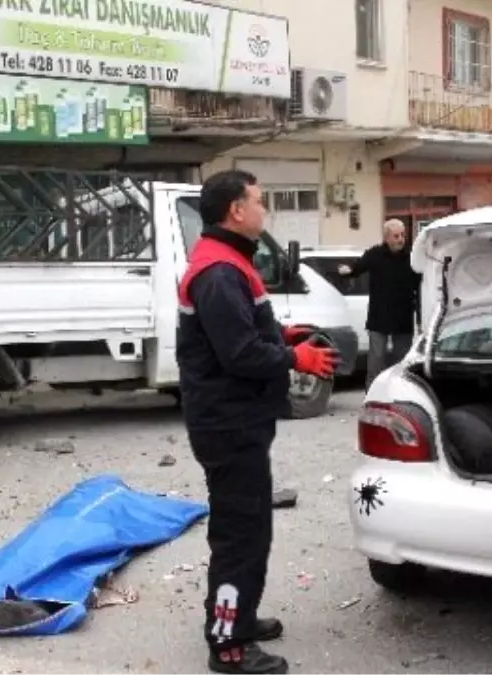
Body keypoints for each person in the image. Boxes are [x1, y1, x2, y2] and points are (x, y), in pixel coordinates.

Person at [176, 169, 337, 675]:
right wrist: (296, 361)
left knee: (250, 530)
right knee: (240, 536)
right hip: (228, 424)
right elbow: (239, 353)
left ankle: (238, 618)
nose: (265, 211)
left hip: (237, 421)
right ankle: (228, 644)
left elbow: (241, 330)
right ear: (236, 211)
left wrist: (284, 334)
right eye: (260, 202)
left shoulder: (226, 262)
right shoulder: (220, 272)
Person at [337, 219, 421, 387]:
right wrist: (347, 271)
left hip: (402, 317)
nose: (400, 239)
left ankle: (400, 394)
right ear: (387, 237)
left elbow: (422, 282)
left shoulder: (412, 257)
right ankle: (372, 396)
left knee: (402, 361)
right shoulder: (375, 255)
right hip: (379, 316)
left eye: (403, 235)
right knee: (376, 360)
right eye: (396, 236)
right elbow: (358, 267)